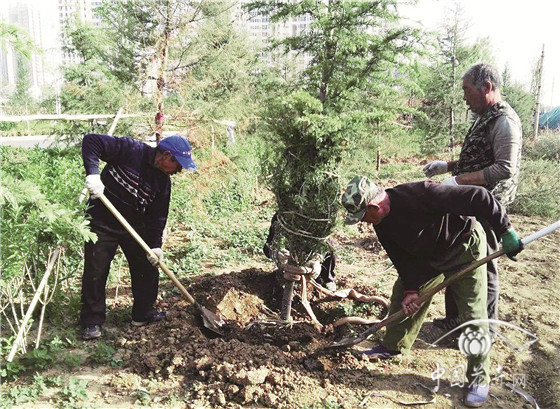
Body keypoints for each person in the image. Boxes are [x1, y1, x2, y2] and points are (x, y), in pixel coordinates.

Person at [341, 176, 523, 407]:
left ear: (374, 206)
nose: (363, 223)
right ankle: (393, 346)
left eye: (363, 217)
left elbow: (480, 197)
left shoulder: (423, 195)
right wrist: (411, 289)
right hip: (428, 259)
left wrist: (505, 230)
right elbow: (401, 258)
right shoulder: (382, 223)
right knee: (400, 297)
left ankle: (478, 379)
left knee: (473, 316)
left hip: (463, 250)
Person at [423, 62, 522, 336]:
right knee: (457, 256)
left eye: (467, 90)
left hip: (487, 207)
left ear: (486, 88)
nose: (464, 97)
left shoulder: (505, 122)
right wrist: (449, 166)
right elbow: (478, 158)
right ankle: (456, 319)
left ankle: (485, 329)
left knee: (483, 265)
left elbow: (504, 168)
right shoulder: (484, 117)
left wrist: (459, 181)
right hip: (467, 202)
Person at [80, 133, 197, 340]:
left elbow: (158, 217)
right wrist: (93, 174)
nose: (179, 170)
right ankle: (92, 322)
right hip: (102, 221)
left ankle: (143, 314)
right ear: (166, 156)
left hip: (134, 226)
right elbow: (92, 141)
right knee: (95, 270)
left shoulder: (163, 182)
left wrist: (155, 246)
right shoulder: (131, 150)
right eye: (177, 164)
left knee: (147, 265)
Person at [263, 212, 337, 291]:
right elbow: (268, 247)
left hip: (311, 254)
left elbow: (326, 244)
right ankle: (282, 275)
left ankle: (326, 278)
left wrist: (318, 258)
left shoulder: (321, 217)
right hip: (290, 257)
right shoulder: (281, 217)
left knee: (329, 250)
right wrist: (276, 253)